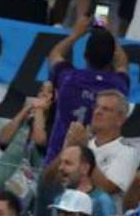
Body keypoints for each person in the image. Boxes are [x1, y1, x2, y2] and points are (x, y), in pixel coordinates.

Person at [44, 17, 129, 163]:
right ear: (111, 58)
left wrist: (75, 34)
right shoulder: (118, 86)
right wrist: (110, 36)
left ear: (84, 55)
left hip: (58, 160)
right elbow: (123, 64)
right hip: (93, 165)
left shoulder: (69, 79)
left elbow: (54, 55)